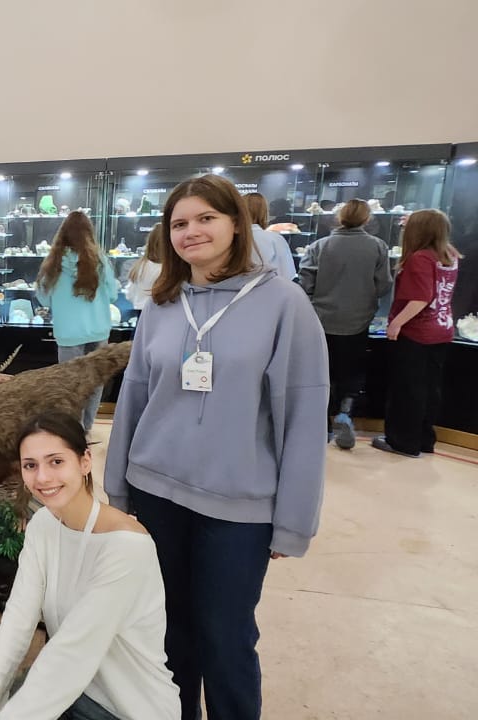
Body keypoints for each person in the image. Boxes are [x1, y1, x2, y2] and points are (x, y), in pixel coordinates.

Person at [105, 175, 328, 720]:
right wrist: (118, 490)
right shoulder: (161, 304)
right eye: (179, 223)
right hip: (155, 493)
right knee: (167, 633)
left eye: (206, 218)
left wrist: (293, 520)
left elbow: (302, 416)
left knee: (226, 639)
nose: (191, 231)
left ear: (236, 223)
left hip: (238, 507)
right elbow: (134, 397)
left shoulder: (284, 303)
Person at [0, 412, 180, 720]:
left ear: (85, 461)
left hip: (128, 709)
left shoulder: (127, 547)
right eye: (30, 465)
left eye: (56, 461)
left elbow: (73, 653)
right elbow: (17, 623)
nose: (42, 478)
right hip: (71, 695)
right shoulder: (43, 525)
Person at [298, 198, 393, 449]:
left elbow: (305, 284)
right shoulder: (378, 246)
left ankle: (322, 425)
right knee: (352, 372)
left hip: (322, 321)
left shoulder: (319, 246)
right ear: (367, 219)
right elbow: (384, 285)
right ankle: (345, 410)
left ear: (338, 218)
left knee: (322, 373)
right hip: (358, 321)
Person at [373, 209, 461, 458]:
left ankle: (403, 441)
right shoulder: (450, 255)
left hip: (417, 332)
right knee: (430, 387)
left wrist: (396, 324)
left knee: (408, 388)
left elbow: (420, 298)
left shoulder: (420, 258)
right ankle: (424, 439)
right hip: (442, 328)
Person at [34, 211, 119, 433]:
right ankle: (87, 429)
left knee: (70, 386)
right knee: (95, 380)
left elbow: (43, 297)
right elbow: (113, 295)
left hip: (68, 333)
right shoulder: (100, 261)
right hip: (98, 330)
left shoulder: (53, 263)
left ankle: (75, 429)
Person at [243, 193, 297, 281]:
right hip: (269, 287)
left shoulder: (228, 238)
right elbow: (288, 274)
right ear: (264, 212)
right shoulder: (275, 239)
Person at [125, 226, 163, 314]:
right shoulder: (165, 270)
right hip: (158, 313)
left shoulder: (140, 265)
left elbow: (129, 294)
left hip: (139, 311)